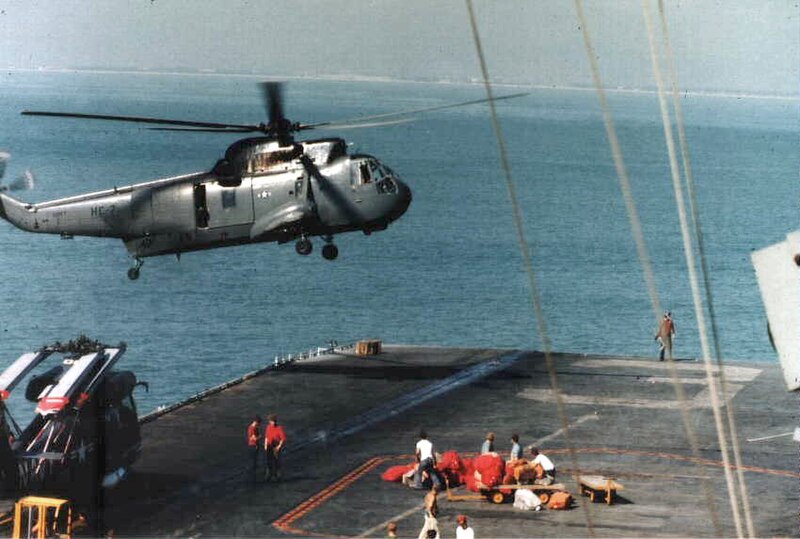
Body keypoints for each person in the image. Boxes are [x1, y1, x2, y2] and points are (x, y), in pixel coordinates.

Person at [264, 414, 287, 481]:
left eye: (273, 421)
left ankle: (277, 475)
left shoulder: (279, 428)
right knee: (269, 461)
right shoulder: (268, 427)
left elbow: (283, 439)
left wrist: (279, 446)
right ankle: (269, 474)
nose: (273, 423)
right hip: (269, 446)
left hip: (275, 446)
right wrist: (265, 445)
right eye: (271, 421)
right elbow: (266, 437)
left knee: (276, 461)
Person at [246, 416, 262, 482]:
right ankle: (252, 476)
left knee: (254, 461)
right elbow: (254, 438)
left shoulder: (253, 428)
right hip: (253, 445)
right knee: (253, 461)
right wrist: (260, 437)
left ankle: (253, 475)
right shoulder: (252, 428)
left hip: (253, 445)